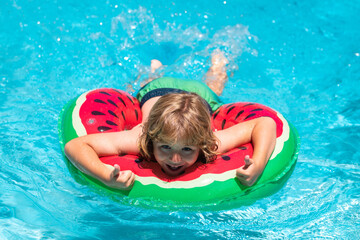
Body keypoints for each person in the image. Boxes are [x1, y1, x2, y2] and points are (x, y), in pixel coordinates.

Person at [64, 50, 276, 190]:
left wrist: (257, 164)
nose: (175, 159)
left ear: (200, 144)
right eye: (165, 146)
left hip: (199, 95)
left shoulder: (209, 142)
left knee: (214, 87)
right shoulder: (140, 137)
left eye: (186, 150)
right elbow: (75, 146)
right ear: (153, 138)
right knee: (141, 85)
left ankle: (218, 66)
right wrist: (104, 174)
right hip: (158, 89)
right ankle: (154, 71)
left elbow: (264, 123)